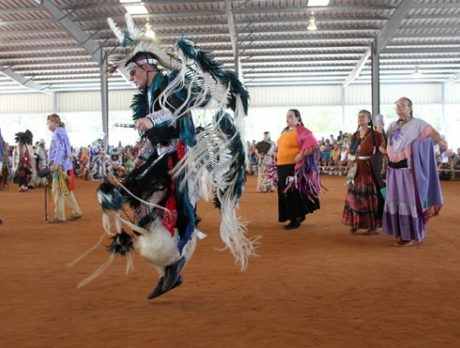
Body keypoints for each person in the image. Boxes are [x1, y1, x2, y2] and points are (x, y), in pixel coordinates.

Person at [85, 14, 254, 300]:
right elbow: (154, 135)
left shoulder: (171, 84)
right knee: (140, 210)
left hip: (181, 157)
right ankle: (169, 268)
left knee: (167, 211)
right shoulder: (149, 95)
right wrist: (143, 155)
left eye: (133, 72)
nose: (131, 77)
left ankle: (173, 266)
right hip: (161, 157)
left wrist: (153, 118)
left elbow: (176, 110)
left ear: (147, 65)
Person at [383, 97, 443, 246]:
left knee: (409, 201)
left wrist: (417, 147)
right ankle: (399, 231)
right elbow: (387, 144)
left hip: (409, 171)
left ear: (410, 107)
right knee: (395, 200)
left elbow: (436, 137)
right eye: (396, 105)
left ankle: (410, 234)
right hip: (393, 170)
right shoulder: (391, 126)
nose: (399, 107)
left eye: (402, 105)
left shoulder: (419, 124)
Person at [275, 109, 321, 230]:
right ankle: (297, 215)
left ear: (298, 118)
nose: (287, 118)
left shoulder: (303, 132)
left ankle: (295, 218)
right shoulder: (284, 132)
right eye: (287, 116)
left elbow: (313, 146)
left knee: (290, 191)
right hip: (282, 166)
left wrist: (302, 154)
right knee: (284, 191)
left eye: (290, 116)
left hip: (293, 166)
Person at [342, 110, 385, 235]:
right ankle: (356, 222)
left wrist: (375, 163)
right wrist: (350, 159)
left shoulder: (376, 134)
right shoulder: (355, 135)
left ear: (369, 119)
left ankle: (372, 226)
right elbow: (351, 151)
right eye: (359, 116)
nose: (360, 118)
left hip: (369, 171)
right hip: (356, 171)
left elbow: (381, 151)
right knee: (354, 198)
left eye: (363, 116)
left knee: (369, 199)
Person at [46, 114, 83, 223]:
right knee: (65, 190)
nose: (47, 125)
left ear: (53, 122)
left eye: (48, 123)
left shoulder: (57, 133)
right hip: (65, 166)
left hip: (60, 167)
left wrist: (55, 164)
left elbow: (60, 150)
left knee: (57, 190)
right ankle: (76, 211)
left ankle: (59, 216)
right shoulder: (62, 132)